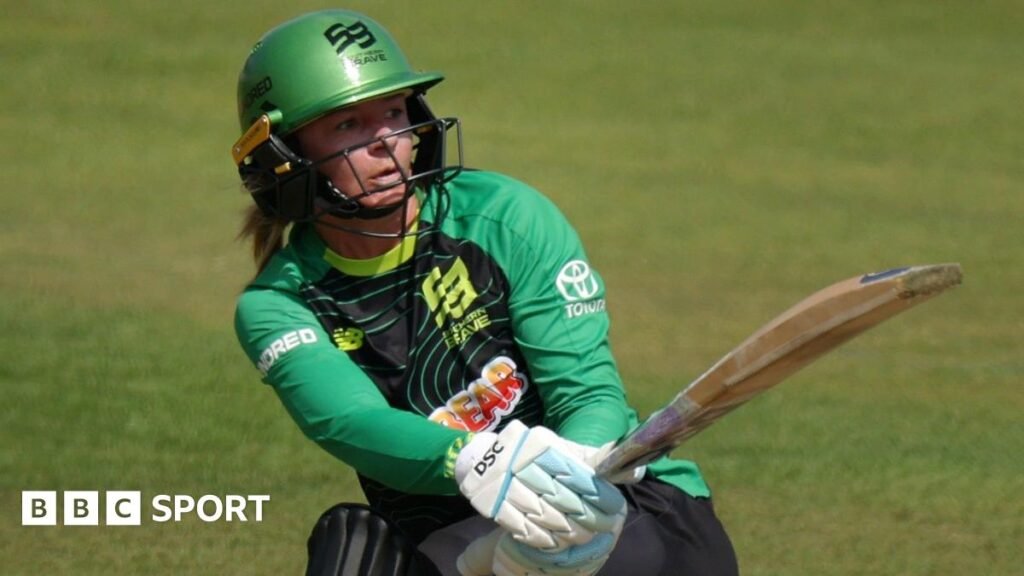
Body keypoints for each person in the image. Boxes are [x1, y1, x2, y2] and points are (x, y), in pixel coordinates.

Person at [231, 9, 739, 576]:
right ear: (283, 156)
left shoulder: (504, 218)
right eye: (347, 125)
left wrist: (566, 477)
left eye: (395, 112)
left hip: (625, 501)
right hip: (456, 528)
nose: (387, 142)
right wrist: (474, 457)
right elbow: (350, 422)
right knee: (353, 543)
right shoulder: (279, 305)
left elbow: (588, 394)